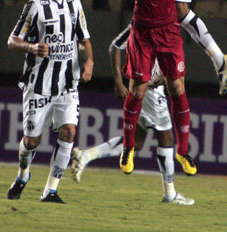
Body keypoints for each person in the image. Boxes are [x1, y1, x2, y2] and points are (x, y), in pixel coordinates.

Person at [92, 0, 212, 176]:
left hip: (169, 30)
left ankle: (183, 152)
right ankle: (129, 147)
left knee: (177, 88)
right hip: (143, 32)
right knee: (137, 90)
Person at [70, 25, 194, 205]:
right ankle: (170, 194)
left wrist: (122, 83)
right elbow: (114, 47)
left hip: (149, 86)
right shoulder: (146, 22)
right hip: (149, 88)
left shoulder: (155, 20)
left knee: (138, 141)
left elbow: (115, 46)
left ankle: (86, 155)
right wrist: (118, 83)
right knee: (166, 136)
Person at [6, 0, 94, 203]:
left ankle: (51, 190)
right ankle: (23, 174)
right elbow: (12, 40)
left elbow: (84, 38)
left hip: (68, 83)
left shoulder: (75, 3)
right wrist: (32, 48)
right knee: (32, 140)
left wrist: (89, 60)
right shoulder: (35, 6)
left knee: (68, 131)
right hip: (39, 85)